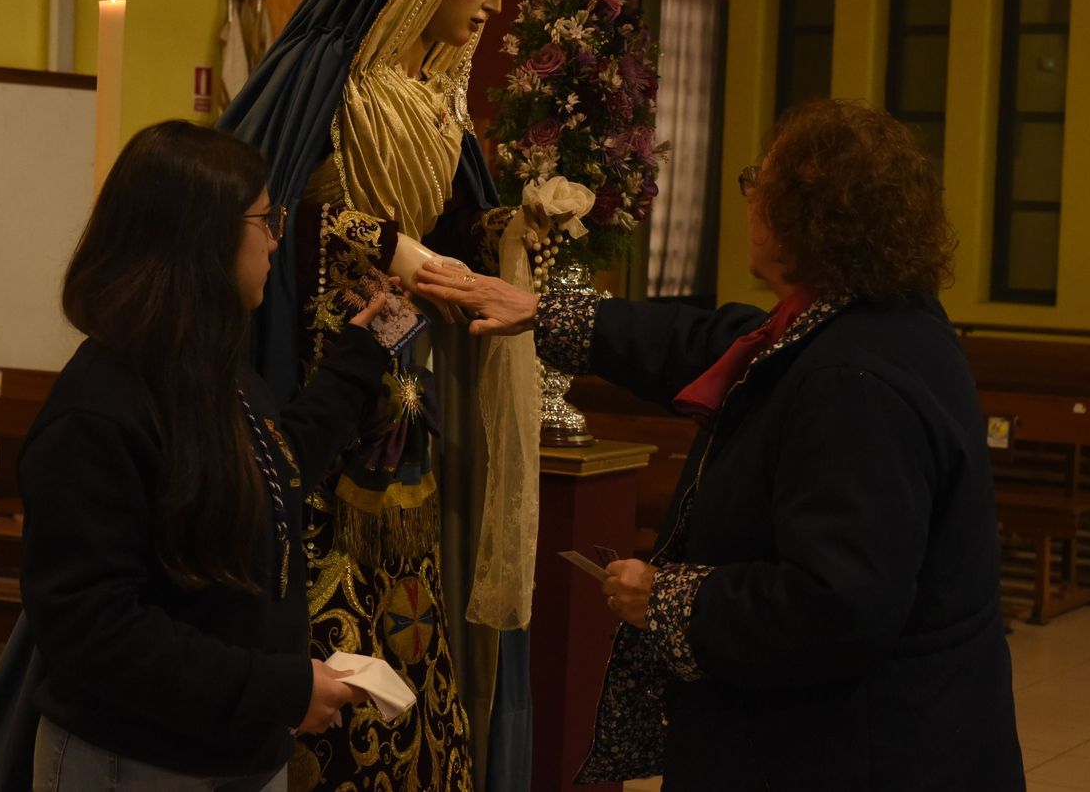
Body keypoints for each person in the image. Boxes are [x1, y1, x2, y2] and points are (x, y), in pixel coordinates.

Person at [416, 99, 1026, 791]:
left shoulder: (854, 382)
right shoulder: (862, 320)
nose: (749, 197)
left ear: (802, 215)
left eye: (758, 181)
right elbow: (710, 342)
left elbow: (836, 605)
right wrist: (543, 311)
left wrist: (670, 599)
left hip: (859, 753)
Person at [220, 0, 591, 791]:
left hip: (406, 391)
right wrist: (383, 245)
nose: (492, 4)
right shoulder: (323, 81)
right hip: (316, 375)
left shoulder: (437, 107)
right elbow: (261, 212)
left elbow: (459, 234)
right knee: (327, 579)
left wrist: (516, 229)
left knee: (413, 605)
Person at [19, 121, 394, 791]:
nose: (275, 239)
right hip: (137, 763)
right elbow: (92, 628)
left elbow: (272, 472)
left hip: (236, 751)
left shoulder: (209, 369)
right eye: (264, 219)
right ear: (201, 237)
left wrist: (364, 356)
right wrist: (274, 686)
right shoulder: (101, 407)